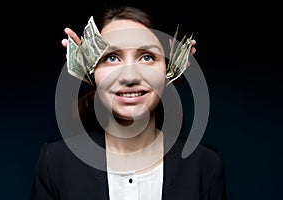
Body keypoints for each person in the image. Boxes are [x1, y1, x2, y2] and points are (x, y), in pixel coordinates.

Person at [29, 5, 227, 200]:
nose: (129, 76)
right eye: (111, 58)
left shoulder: (205, 165)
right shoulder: (55, 162)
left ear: (170, 69)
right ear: (89, 71)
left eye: (147, 57)